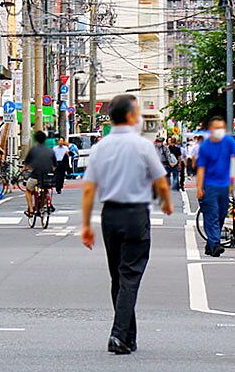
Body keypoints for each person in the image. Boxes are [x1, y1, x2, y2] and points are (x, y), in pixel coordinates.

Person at [80, 94, 173, 355]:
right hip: (135, 215)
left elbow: (88, 190)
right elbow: (161, 181)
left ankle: (128, 336)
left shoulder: (100, 147)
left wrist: (86, 224)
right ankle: (119, 335)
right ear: (132, 116)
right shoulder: (143, 146)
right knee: (130, 276)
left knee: (118, 278)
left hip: (110, 215)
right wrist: (166, 202)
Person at [196, 116, 235, 256]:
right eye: (216, 128)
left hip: (224, 185)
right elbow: (201, 169)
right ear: (210, 130)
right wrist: (199, 188)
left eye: (221, 128)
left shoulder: (228, 141)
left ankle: (211, 244)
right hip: (209, 185)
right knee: (211, 214)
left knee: (222, 214)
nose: (219, 131)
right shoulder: (205, 146)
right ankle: (215, 244)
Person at [23, 134, 57, 216]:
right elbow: (55, 166)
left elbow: (27, 164)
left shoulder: (33, 150)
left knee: (28, 190)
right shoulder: (50, 150)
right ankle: (41, 205)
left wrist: (25, 168)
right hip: (48, 177)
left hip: (36, 176)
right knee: (45, 190)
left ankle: (31, 209)